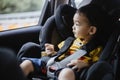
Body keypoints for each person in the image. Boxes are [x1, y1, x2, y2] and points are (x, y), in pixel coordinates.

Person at [19, 4, 113, 80]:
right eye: (73, 24)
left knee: (66, 73)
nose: (73, 27)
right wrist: (52, 52)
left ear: (91, 30)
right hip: (50, 65)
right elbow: (60, 54)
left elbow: (97, 66)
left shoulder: (97, 49)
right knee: (27, 63)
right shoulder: (69, 41)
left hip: (68, 70)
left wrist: (86, 64)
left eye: (77, 24)